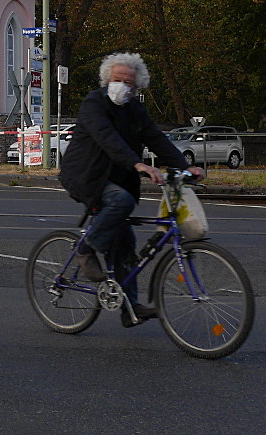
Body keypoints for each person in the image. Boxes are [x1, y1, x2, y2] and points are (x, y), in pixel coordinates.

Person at [59, 52, 204, 328]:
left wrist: (185, 167)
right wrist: (138, 164)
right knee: (121, 202)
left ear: (137, 88)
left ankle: (130, 307)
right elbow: (107, 138)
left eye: (129, 83)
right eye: (117, 80)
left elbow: (157, 140)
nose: (122, 86)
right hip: (86, 175)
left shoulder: (136, 111)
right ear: (106, 80)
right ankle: (86, 250)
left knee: (125, 245)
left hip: (118, 178)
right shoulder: (93, 103)